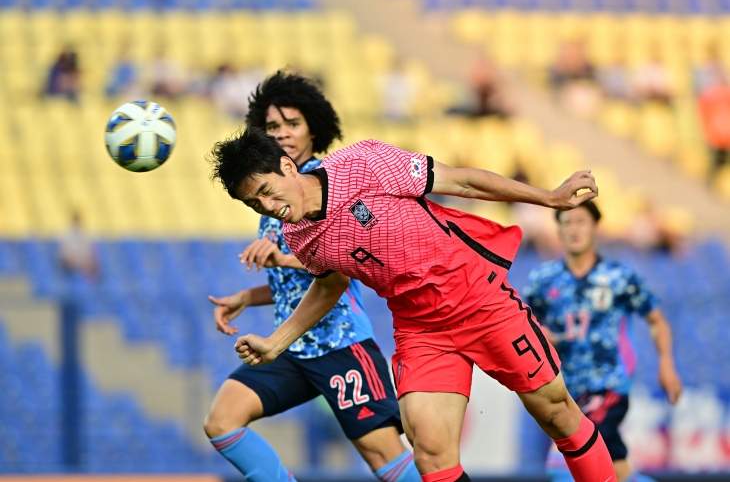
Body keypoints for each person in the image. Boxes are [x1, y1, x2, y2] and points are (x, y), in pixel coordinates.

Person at [208, 127, 618, 480]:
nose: (266, 206)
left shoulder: (363, 163)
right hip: (420, 330)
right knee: (431, 454)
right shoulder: (300, 237)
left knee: (557, 413)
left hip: (481, 300)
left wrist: (548, 199)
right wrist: (275, 342)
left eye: (264, 191)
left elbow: (462, 183)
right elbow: (330, 286)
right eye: (253, 204)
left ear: (287, 167)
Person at [203, 71, 419, 482]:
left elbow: (343, 266)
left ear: (314, 128)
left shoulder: (329, 182)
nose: (282, 133)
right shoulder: (268, 191)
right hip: (289, 347)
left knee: (382, 453)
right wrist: (247, 297)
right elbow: (292, 283)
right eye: (271, 127)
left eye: (292, 124)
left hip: (340, 342)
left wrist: (282, 259)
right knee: (221, 420)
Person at [523, 201, 683, 482]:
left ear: (595, 228)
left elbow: (656, 320)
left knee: (562, 459)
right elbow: (525, 326)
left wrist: (666, 364)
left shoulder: (619, 277)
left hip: (608, 386)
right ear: (558, 229)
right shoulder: (543, 280)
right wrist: (542, 338)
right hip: (565, 390)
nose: (574, 229)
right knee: (618, 472)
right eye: (567, 223)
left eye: (581, 222)